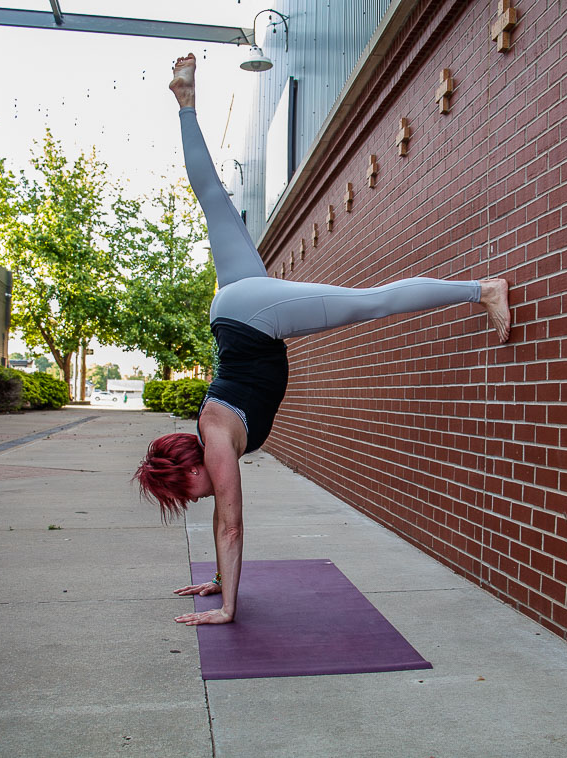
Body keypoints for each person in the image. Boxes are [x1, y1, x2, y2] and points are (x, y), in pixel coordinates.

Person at [133, 54, 511, 626]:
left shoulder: (214, 441)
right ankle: (185, 101)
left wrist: (227, 609)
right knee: (212, 198)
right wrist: (215, 580)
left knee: (372, 301)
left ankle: (482, 289)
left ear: (189, 466)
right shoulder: (212, 433)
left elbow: (231, 523)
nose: (195, 497)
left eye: (186, 491)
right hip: (234, 309)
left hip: (253, 317)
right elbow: (222, 521)